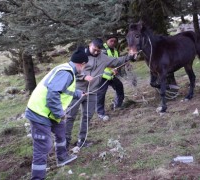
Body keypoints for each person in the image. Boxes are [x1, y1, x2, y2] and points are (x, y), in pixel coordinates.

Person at [25, 47, 88, 180]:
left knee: (60, 131)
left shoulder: (67, 69)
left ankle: (62, 157)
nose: (84, 68)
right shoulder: (66, 73)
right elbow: (53, 94)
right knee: (43, 146)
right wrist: (59, 113)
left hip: (49, 112)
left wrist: (78, 94)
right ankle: (37, 177)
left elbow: (64, 90)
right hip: (39, 112)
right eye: (84, 65)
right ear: (81, 64)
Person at [65, 38, 135, 149]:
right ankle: (65, 142)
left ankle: (82, 141)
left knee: (87, 116)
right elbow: (70, 69)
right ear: (89, 45)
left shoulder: (103, 57)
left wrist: (129, 57)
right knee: (70, 116)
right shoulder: (80, 55)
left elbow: (116, 61)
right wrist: (83, 77)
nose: (96, 52)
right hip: (77, 91)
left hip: (92, 92)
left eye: (98, 50)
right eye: (94, 50)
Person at [96, 35, 125, 120]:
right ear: (107, 41)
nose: (113, 43)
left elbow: (116, 61)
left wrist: (125, 63)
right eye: (111, 41)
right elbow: (103, 62)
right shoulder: (102, 50)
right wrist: (112, 69)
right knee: (101, 94)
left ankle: (117, 105)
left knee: (119, 87)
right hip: (102, 76)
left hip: (111, 76)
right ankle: (100, 113)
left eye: (115, 41)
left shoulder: (115, 51)